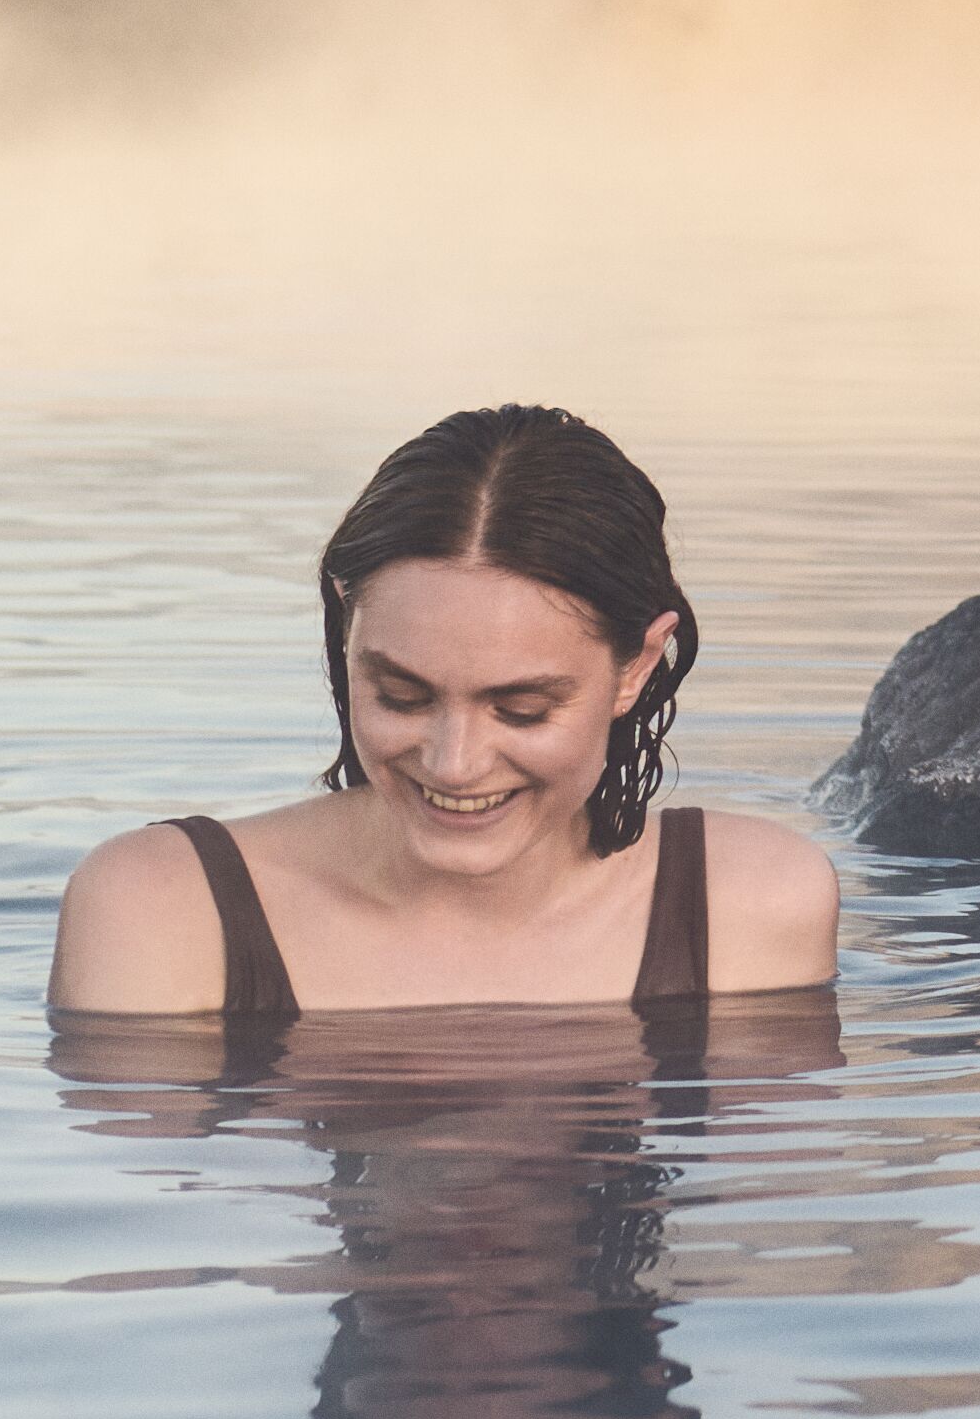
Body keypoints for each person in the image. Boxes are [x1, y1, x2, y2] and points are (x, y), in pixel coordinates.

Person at [49, 405, 844, 1033]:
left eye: (522, 709)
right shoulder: (164, 908)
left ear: (636, 666)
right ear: (345, 631)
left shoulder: (748, 905)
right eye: (403, 696)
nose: (455, 762)